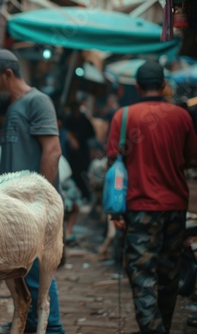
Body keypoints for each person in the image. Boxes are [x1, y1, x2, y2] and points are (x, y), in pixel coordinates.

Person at [107, 60, 197, 334]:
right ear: (163, 85)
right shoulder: (181, 116)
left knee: (141, 274)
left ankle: (153, 329)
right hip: (175, 207)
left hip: (140, 207)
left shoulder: (123, 118)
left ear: (136, 86)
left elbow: (114, 164)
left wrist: (115, 211)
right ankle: (162, 328)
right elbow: (192, 158)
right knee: (169, 275)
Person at [0, 49, 64, 333]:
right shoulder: (15, 106)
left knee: (38, 273)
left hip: (31, 209)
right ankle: (31, 323)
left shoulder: (38, 101)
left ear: (8, 75)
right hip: (12, 208)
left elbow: (52, 151)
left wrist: (38, 204)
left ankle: (51, 328)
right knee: (22, 272)